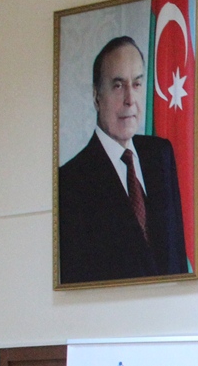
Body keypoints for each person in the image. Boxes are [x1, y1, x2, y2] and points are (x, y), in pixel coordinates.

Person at [57, 36, 188, 285]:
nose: (130, 99)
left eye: (136, 84)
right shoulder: (70, 183)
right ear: (96, 97)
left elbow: (178, 257)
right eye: (118, 86)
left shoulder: (161, 155)